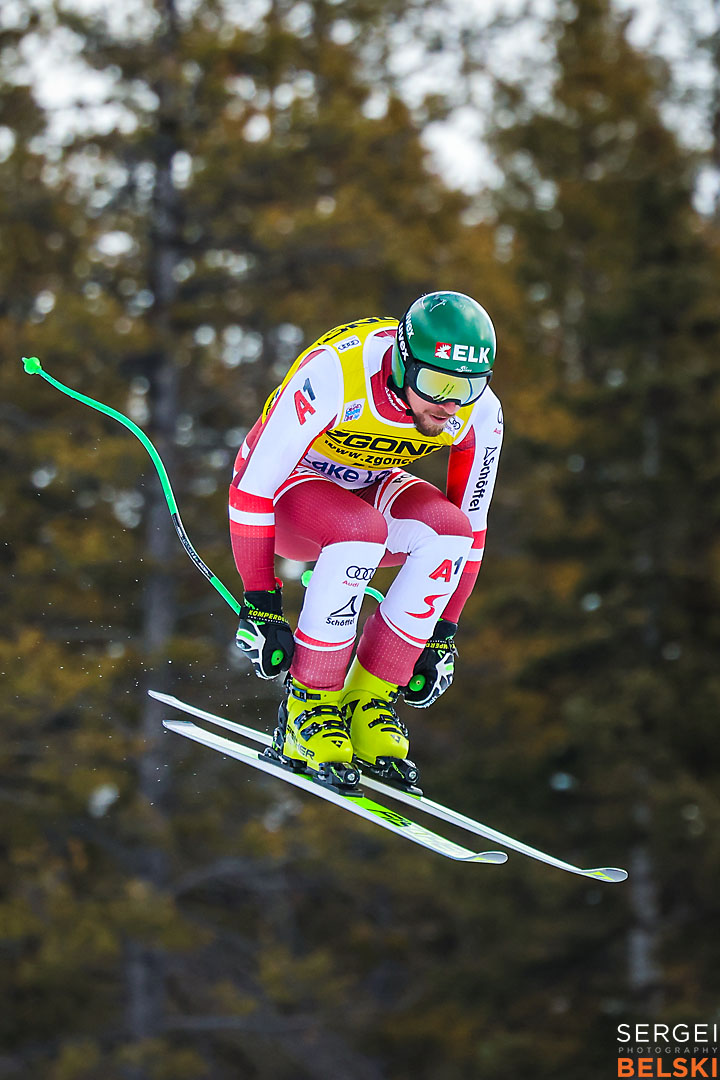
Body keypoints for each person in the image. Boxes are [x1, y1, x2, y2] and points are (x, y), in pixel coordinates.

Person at [229, 290, 503, 791]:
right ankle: (308, 708)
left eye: (469, 387)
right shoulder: (336, 375)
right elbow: (252, 489)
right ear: (402, 360)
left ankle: (366, 702)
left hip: (368, 482)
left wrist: (443, 630)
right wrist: (261, 601)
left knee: (449, 532)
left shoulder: (476, 411)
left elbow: (475, 522)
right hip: (290, 491)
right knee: (359, 533)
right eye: (437, 383)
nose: (450, 404)